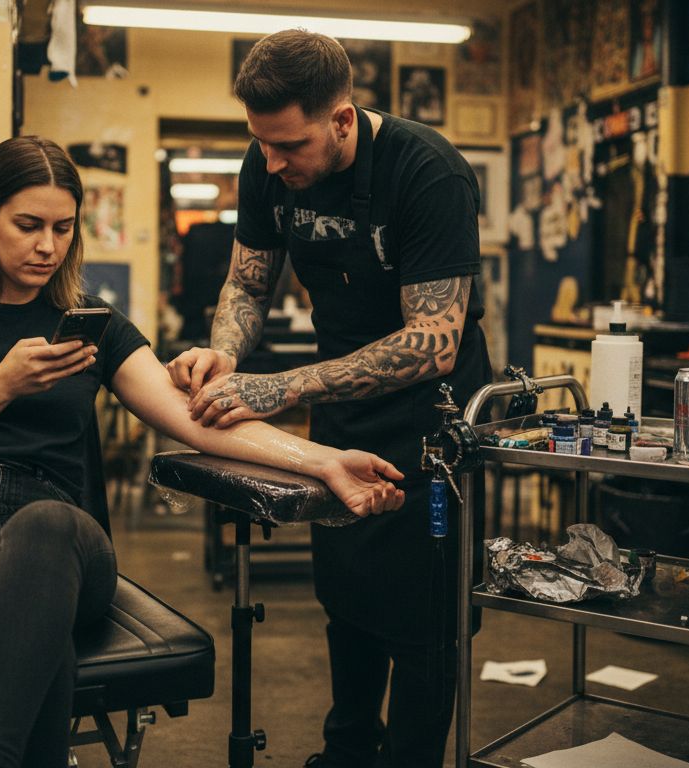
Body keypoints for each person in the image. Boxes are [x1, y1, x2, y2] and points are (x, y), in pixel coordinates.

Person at [0, 136, 406, 768]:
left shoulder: (91, 321)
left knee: (48, 525)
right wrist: (1, 384)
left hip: (57, 540)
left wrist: (323, 458)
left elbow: (201, 421)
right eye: (27, 225)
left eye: (64, 228)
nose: (47, 247)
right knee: (36, 643)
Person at [166, 30, 492, 768]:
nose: (272, 164)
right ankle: (346, 751)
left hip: (431, 422)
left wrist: (280, 387)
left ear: (342, 119)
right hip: (343, 409)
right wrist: (225, 349)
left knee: (424, 616)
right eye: (262, 145)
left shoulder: (427, 171)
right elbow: (248, 283)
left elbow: (434, 339)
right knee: (348, 596)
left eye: (290, 147)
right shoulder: (267, 162)